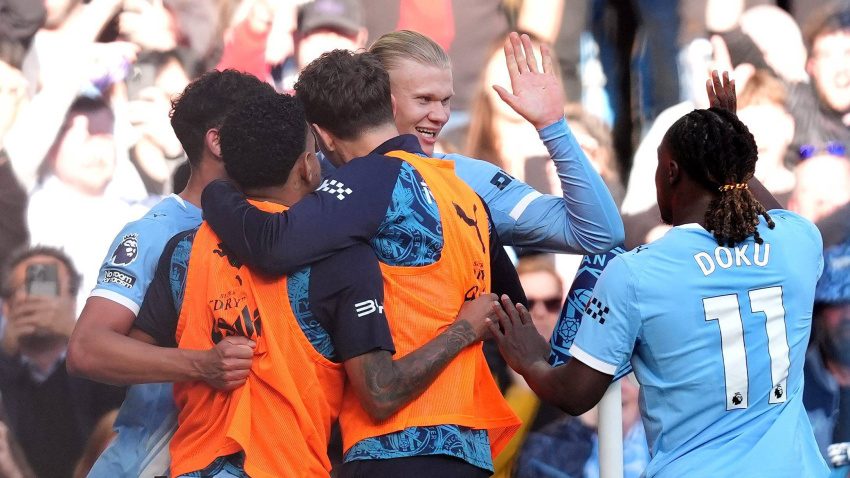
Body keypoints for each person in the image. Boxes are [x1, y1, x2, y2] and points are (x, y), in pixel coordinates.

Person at [137, 92, 502, 477]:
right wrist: (464, 329)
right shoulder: (343, 259)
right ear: (309, 167)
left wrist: (199, 364)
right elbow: (380, 393)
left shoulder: (183, 252)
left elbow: (128, 354)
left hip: (193, 467)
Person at [487, 71, 830, 477]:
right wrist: (727, 149)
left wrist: (528, 359)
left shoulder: (634, 273)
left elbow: (575, 395)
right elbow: (775, 217)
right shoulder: (799, 243)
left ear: (670, 171)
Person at [66, 70, 278, 477]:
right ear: (217, 142)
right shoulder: (155, 231)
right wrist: (202, 365)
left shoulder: (275, 227)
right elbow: (86, 349)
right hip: (148, 463)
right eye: (257, 127)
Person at [368, 30, 624, 254]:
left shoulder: (467, 178)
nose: (440, 116)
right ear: (378, 98)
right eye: (424, 99)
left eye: (445, 101)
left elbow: (599, 233)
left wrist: (553, 127)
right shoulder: (330, 164)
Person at [0, 247, 125, 478]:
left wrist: (77, 334)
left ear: (73, 302)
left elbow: (127, 413)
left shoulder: (100, 369)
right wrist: (6, 358)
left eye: (50, 287)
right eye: (28, 287)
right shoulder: (7, 370)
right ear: (7, 306)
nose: (40, 299)